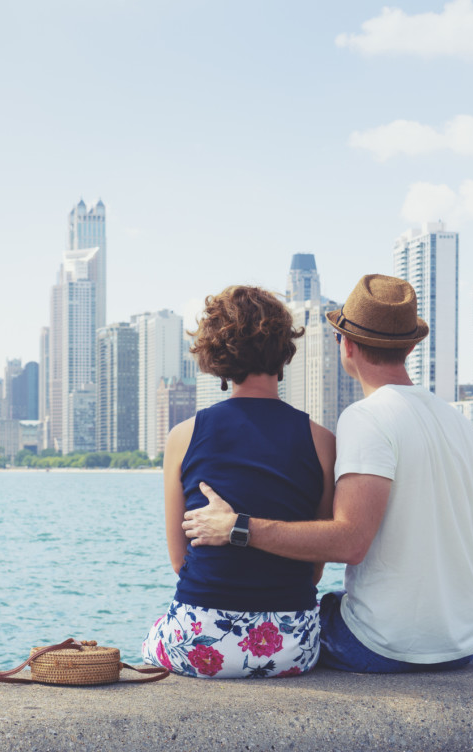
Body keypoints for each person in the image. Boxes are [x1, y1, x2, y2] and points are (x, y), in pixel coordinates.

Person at [182, 274, 473, 673]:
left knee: (307, 618)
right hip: (461, 644)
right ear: (412, 346)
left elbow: (350, 543)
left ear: (347, 345)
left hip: (386, 646)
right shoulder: (462, 424)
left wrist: (237, 528)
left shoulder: (367, 418)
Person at [141, 285, 335, 679]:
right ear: (284, 353)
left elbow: (181, 562)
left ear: (218, 360)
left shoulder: (183, 435)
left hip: (199, 645)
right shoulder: (322, 441)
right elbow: (315, 570)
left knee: (150, 640)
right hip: (291, 649)